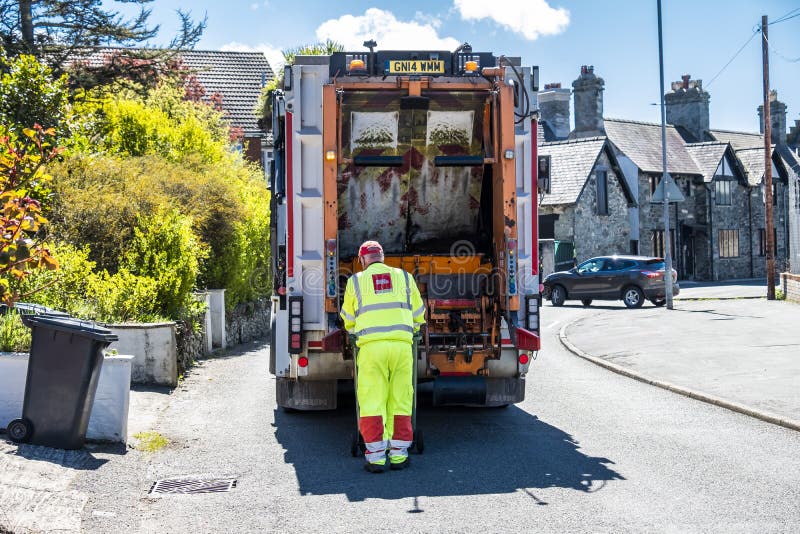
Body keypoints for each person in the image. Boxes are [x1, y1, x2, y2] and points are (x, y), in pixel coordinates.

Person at [340, 240, 426, 473]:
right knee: (400, 398)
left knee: (372, 400)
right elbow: (419, 313)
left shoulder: (355, 281)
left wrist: (354, 330)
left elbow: (348, 319)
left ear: (362, 260)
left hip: (371, 349)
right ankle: (399, 455)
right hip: (402, 348)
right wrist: (414, 329)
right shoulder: (405, 277)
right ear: (382, 257)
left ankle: (376, 458)